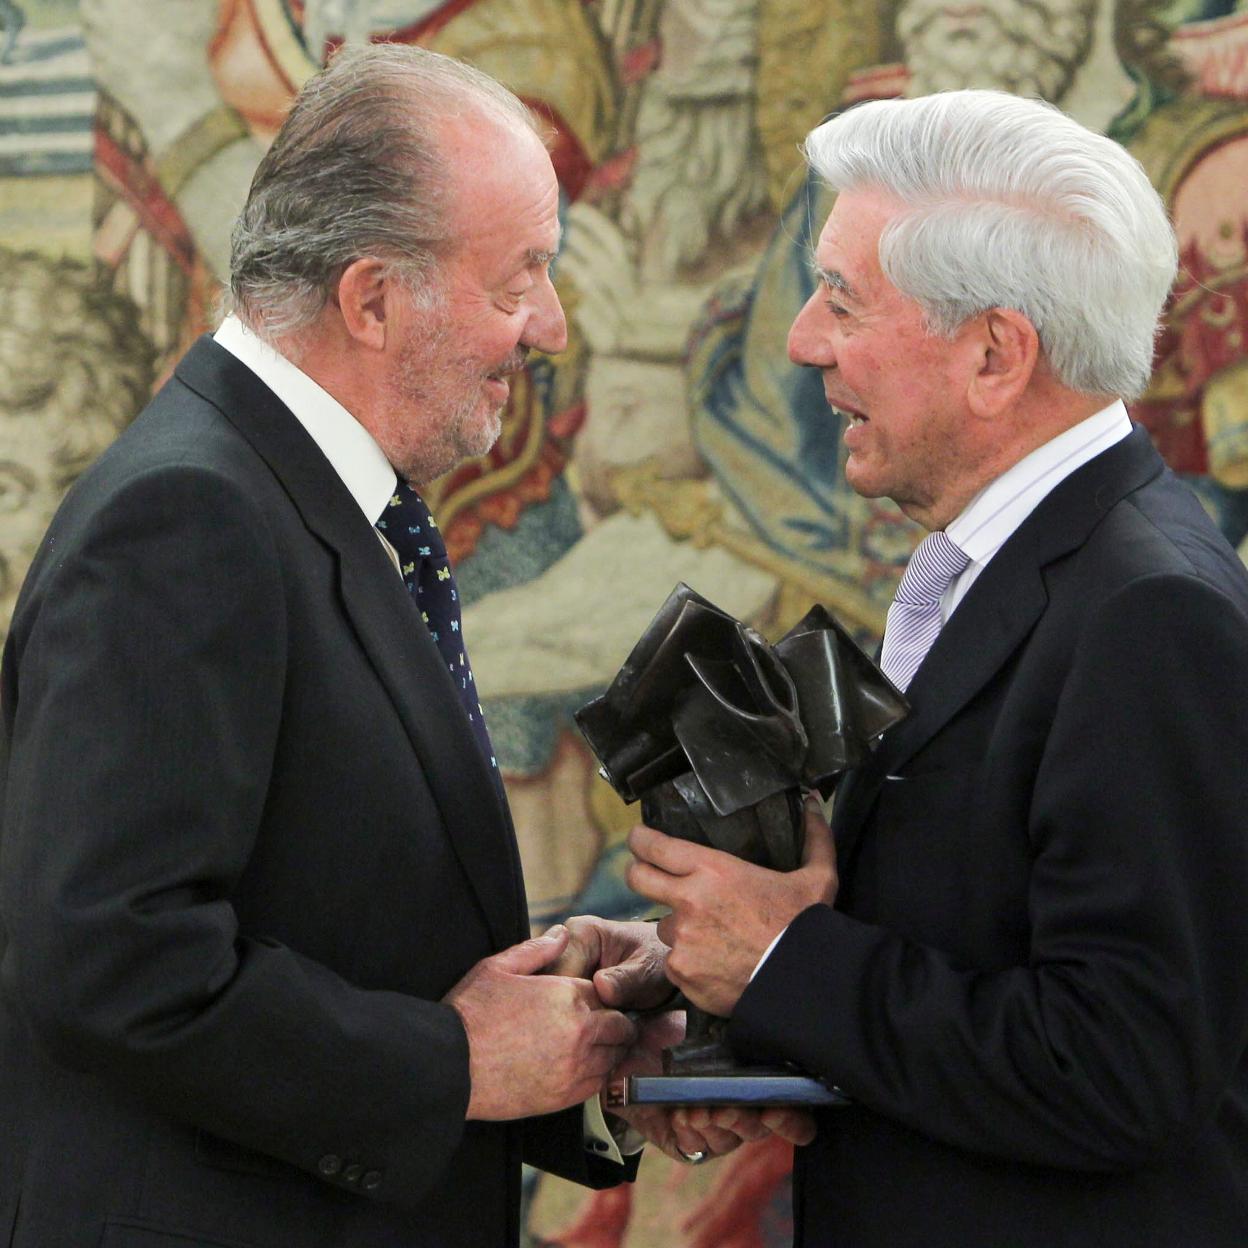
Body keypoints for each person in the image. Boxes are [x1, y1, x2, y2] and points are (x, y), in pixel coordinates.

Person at [0, 43, 794, 1248]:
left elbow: (323, 912)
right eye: (519, 276)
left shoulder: (291, 491)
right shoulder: (190, 520)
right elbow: (113, 965)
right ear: (372, 298)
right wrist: (454, 1061)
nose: (553, 327)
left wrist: (558, 1015)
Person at [627, 89, 1248, 1246]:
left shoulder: (1149, 617)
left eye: (842, 298)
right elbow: (968, 944)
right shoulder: (1011, 568)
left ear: (996, 356)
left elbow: (1122, 1065)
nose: (805, 338)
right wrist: (716, 989)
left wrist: (778, 961)